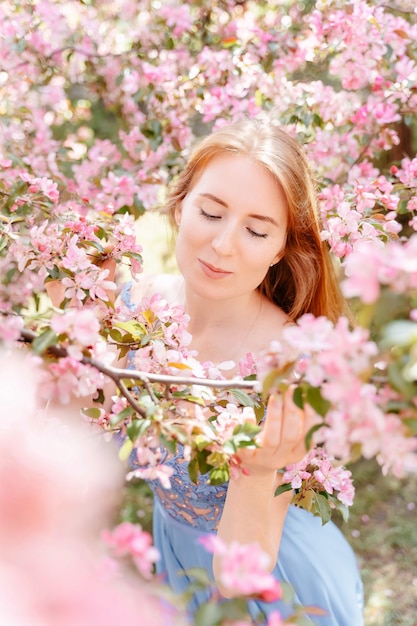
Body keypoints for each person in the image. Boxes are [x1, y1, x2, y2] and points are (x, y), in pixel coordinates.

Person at [120, 118, 364, 625]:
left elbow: (238, 579)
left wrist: (259, 472)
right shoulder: (136, 308)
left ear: (280, 249)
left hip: (270, 582)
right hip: (175, 551)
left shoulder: (288, 367)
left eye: (256, 230)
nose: (224, 245)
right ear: (180, 204)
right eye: (211, 212)